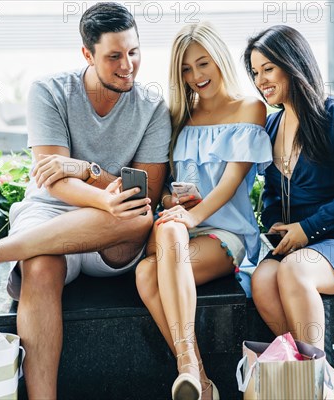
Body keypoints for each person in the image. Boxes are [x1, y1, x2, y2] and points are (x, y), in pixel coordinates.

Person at [0, 3, 171, 398]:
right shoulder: (50, 91)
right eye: (114, 56)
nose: (127, 65)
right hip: (51, 212)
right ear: (87, 54)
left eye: (133, 52)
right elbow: (52, 182)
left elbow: (146, 191)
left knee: (140, 216)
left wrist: (85, 169)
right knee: (40, 267)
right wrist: (101, 196)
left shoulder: (153, 108)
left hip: (114, 230)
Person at [243, 25, 334, 396]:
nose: (261, 80)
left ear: (292, 65)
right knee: (262, 279)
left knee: (293, 270)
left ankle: (316, 382)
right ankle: (312, 376)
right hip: (303, 243)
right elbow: (274, 194)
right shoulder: (273, 123)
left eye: (269, 69)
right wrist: (277, 224)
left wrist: (309, 228)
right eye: (256, 72)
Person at [135, 22, 272, 400]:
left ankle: (189, 368)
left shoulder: (250, 109)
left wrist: (190, 217)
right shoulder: (179, 117)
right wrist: (171, 203)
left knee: (169, 234)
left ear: (219, 60)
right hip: (183, 230)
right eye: (185, 69)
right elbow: (165, 189)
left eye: (202, 63)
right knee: (147, 273)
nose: (195, 76)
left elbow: (230, 184)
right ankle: (199, 380)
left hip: (225, 233)